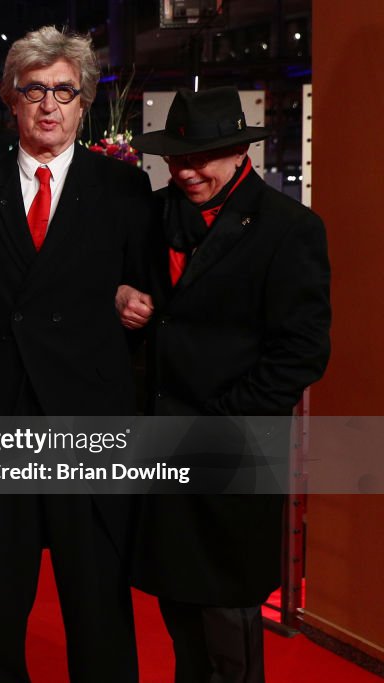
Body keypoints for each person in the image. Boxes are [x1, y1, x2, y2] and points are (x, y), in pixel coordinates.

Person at [0, 26, 154, 682]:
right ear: (11, 100)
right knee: (0, 614)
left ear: (85, 103)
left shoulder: (124, 191)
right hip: (4, 421)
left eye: (64, 91)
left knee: (98, 612)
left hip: (89, 427)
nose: (48, 105)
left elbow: (150, 310)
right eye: (34, 90)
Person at [121, 86, 331, 683]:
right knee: (179, 609)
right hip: (159, 450)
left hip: (230, 450)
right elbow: (123, 292)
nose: (186, 172)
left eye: (202, 158)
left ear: (240, 151)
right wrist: (116, 294)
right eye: (176, 159)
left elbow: (301, 354)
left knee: (228, 621)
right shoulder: (153, 214)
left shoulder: (291, 229)